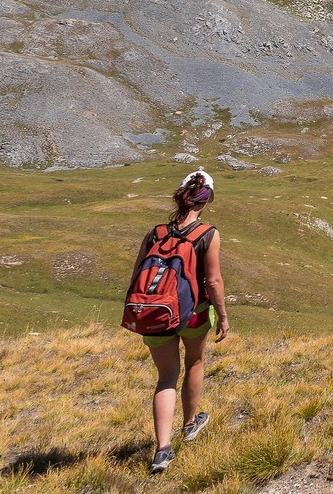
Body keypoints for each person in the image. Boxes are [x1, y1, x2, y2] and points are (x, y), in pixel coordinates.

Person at [132, 169, 230, 473]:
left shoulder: (156, 232)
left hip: (155, 311)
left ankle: (162, 449)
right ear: (207, 198)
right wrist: (223, 316)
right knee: (195, 363)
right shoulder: (207, 233)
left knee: (165, 377)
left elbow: (137, 272)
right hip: (194, 313)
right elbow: (213, 282)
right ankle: (189, 424)